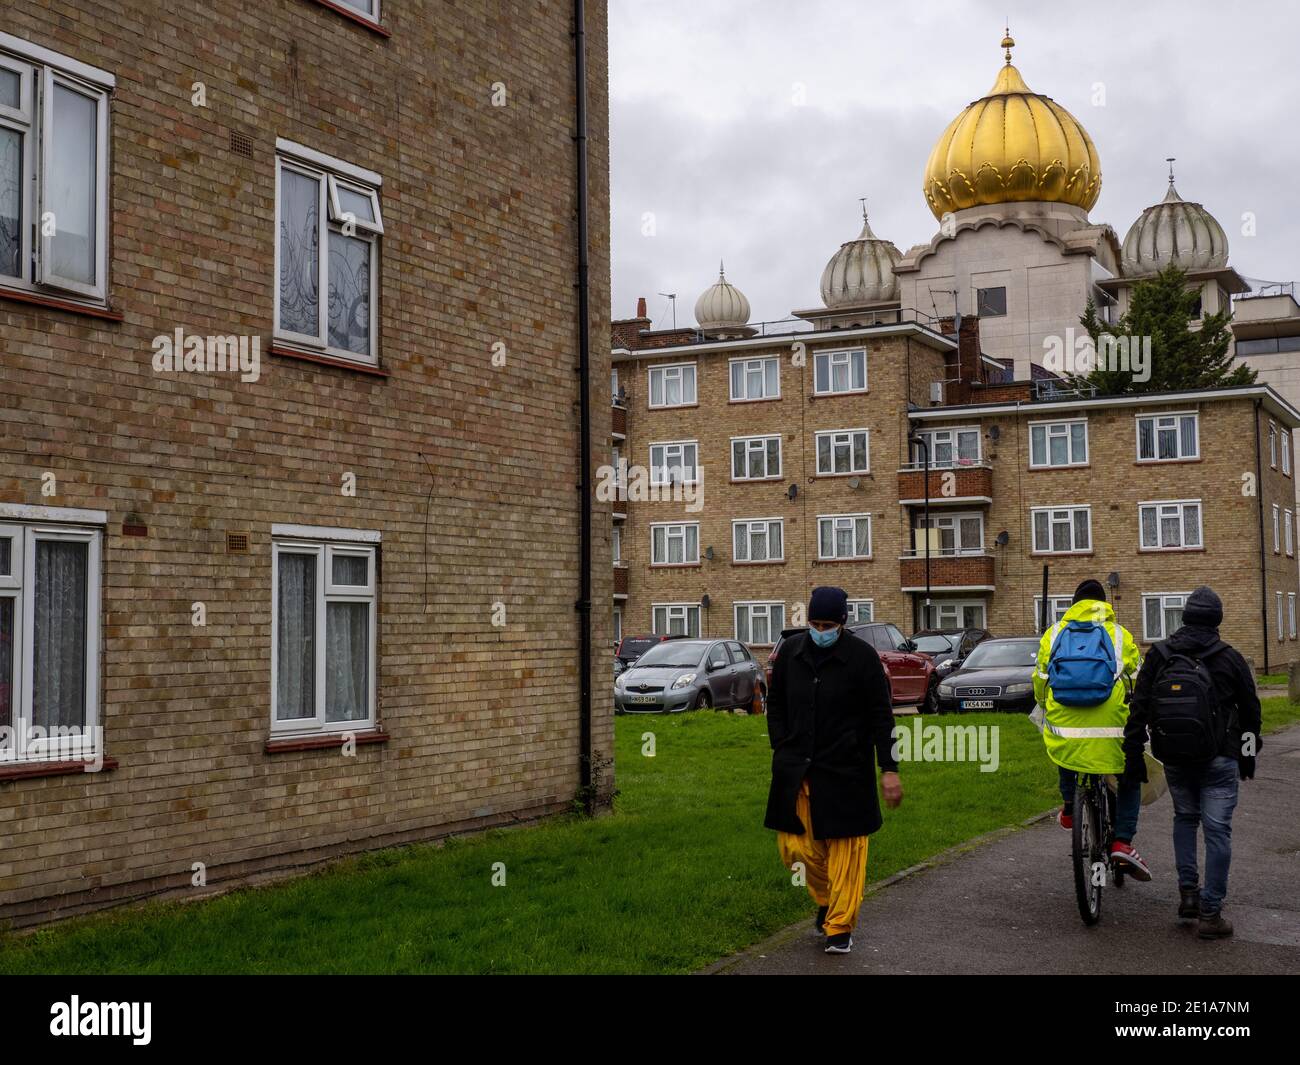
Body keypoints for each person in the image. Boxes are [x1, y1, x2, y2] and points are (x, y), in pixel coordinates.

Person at [764, 586, 901, 955]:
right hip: (798, 768)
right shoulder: (791, 652)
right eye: (814, 623)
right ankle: (826, 900)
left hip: (846, 771)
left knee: (846, 853)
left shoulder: (862, 658)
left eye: (827, 624)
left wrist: (888, 768)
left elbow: (881, 716)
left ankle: (840, 926)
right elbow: (774, 703)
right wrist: (781, 743)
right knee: (795, 850)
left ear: (842, 623)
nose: (820, 630)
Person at [1123, 586, 1261, 940]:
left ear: (1184, 617)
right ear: (1217, 620)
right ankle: (1211, 913)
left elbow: (1139, 705)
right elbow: (1251, 713)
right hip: (1220, 757)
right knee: (1217, 830)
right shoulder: (1230, 657)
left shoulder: (1160, 654)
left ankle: (1188, 895)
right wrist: (1247, 756)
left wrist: (1134, 750)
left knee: (1185, 818)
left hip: (1175, 757)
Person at [1034, 578, 1151, 879]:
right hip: (1110, 727)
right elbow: (1138, 678)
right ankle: (1123, 842)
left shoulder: (1055, 632)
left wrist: (1044, 705)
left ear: (1074, 605)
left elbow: (1040, 678)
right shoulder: (1118, 634)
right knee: (1128, 774)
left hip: (1066, 721)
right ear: (1104, 604)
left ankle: (1071, 808)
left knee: (1065, 751)